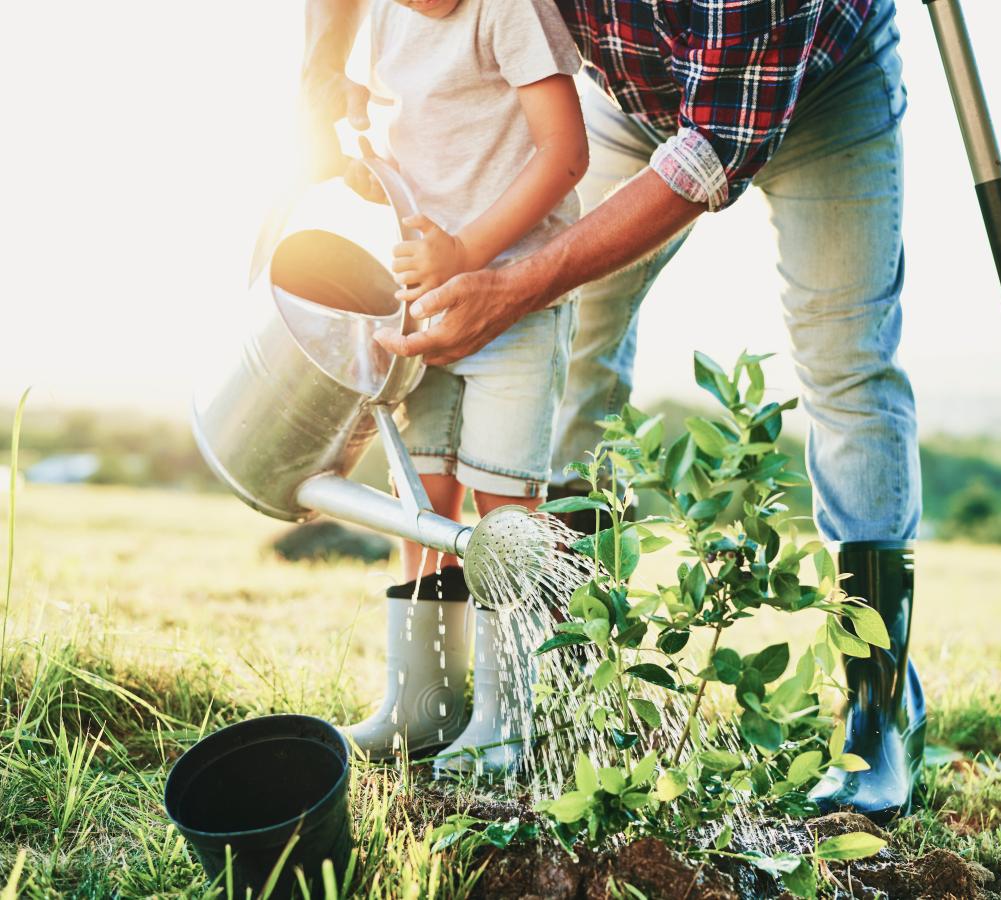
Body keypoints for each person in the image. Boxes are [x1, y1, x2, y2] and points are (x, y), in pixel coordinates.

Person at [303, 0, 924, 819]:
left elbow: (715, 149)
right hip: (629, 95)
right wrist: (321, 71)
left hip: (814, 88)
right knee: (576, 360)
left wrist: (523, 282)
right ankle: (546, 684)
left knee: (846, 371)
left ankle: (879, 714)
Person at [318, 0, 587, 777]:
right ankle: (423, 705)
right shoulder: (384, 20)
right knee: (422, 500)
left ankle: (509, 721)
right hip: (428, 309)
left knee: (504, 517)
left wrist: (467, 248)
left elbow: (565, 154)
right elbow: (413, 140)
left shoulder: (508, 11)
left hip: (515, 307)